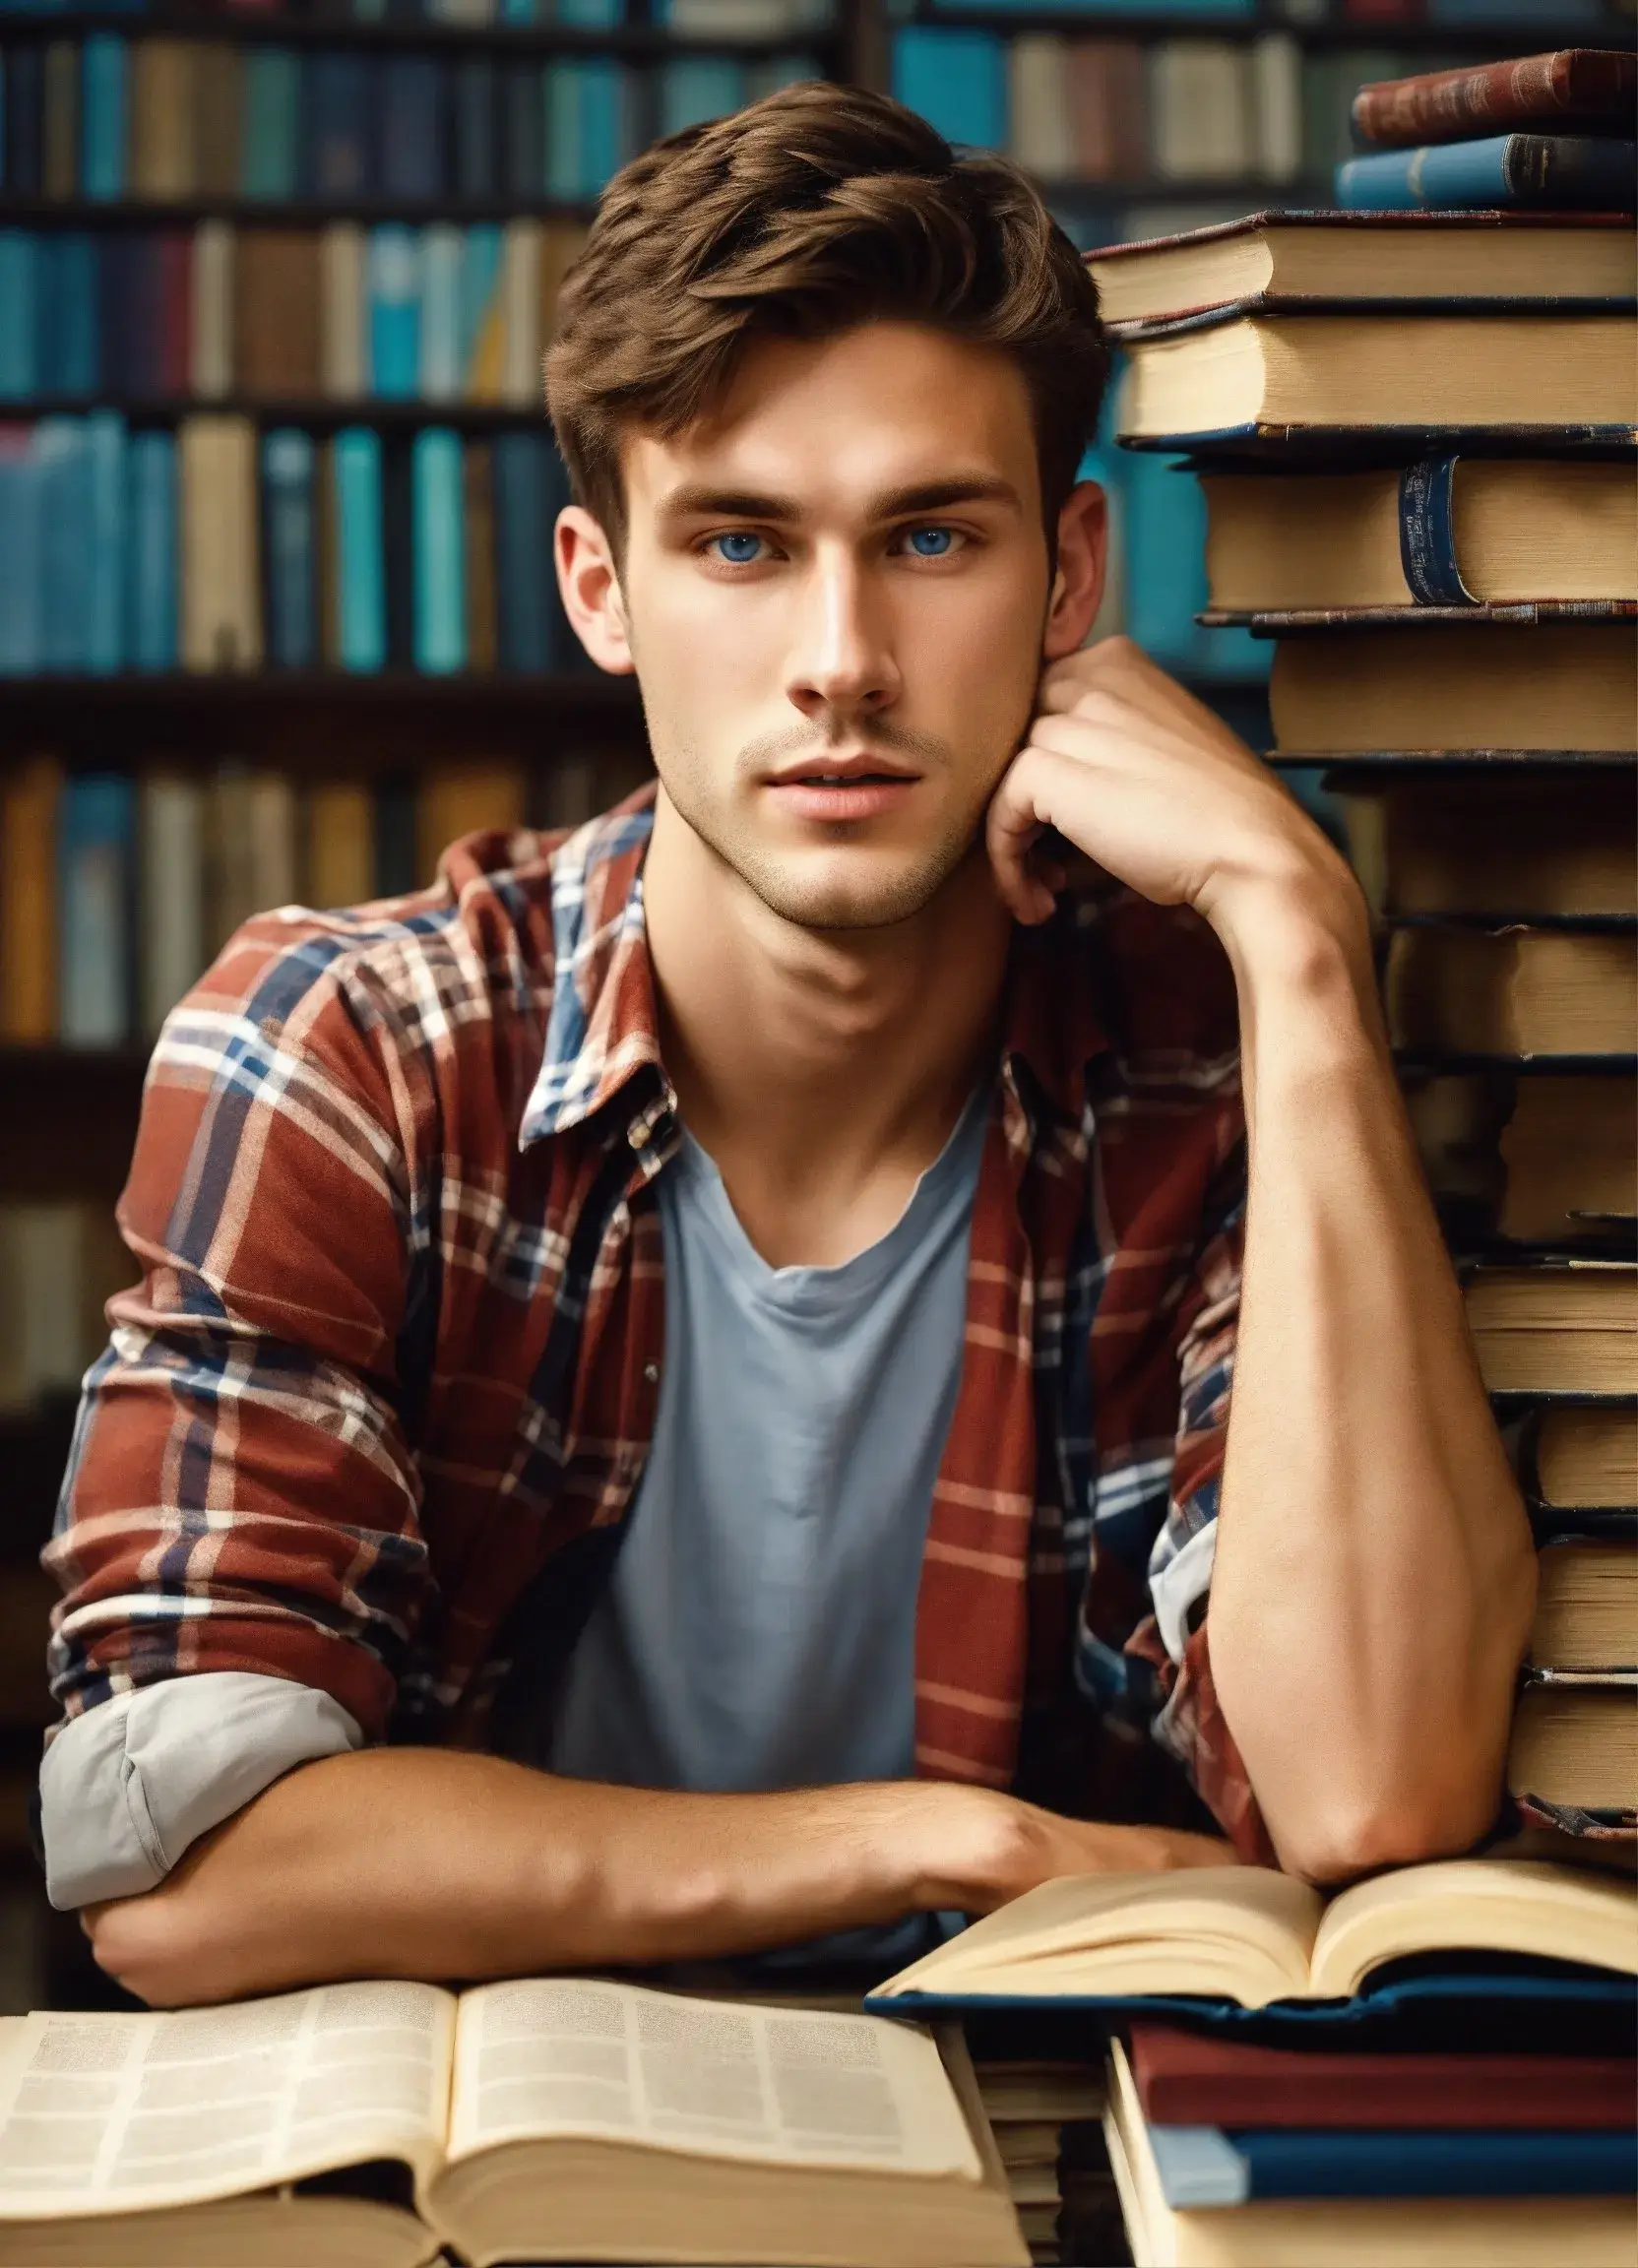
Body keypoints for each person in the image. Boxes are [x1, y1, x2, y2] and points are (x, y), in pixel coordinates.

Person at [41, 84, 1536, 2012]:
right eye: (742, 547)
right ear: (603, 590)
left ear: (1070, 580)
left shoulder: (1197, 1063)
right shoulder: (362, 1049)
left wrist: (1297, 938)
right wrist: (924, 1834)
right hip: (470, 2159)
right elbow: (187, 1871)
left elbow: (1376, 1789)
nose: (840, 655)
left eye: (928, 537)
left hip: (1027, 2157)